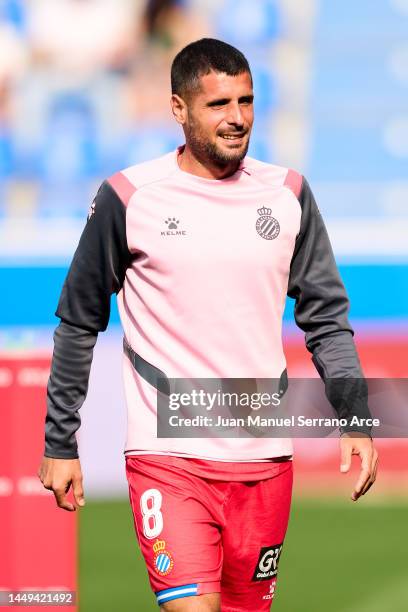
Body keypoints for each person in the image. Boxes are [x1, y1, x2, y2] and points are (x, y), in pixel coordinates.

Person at [38, 38, 378, 611]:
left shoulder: (288, 192)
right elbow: (78, 321)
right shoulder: (129, 197)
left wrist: (356, 416)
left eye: (246, 101)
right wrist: (59, 439)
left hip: (265, 458)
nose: (238, 118)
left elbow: (327, 320)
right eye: (219, 104)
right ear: (179, 108)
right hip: (167, 458)